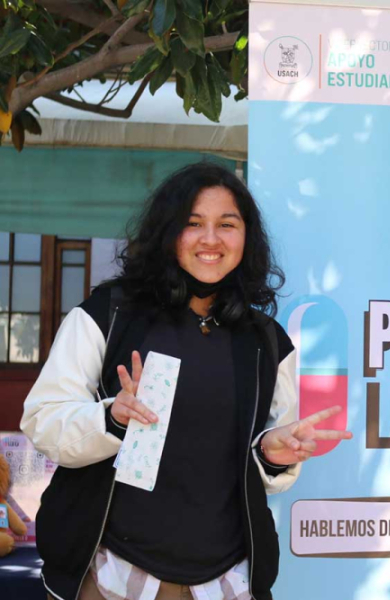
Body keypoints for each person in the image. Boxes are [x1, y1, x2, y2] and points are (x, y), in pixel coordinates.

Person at [20, 162, 351, 600]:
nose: (210, 239)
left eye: (226, 225)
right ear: (167, 232)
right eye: (193, 224)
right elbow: (43, 421)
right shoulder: (109, 314)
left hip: (224, 579)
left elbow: (267, 468)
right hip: (109, 574)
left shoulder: (266, 342)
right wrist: (111, 419)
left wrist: (272, 453)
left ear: (246, 238)